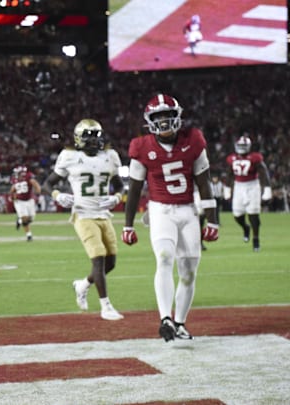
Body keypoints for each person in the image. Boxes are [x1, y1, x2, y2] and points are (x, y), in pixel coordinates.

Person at [122, 94, 219, 342]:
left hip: (187, 210)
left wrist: (213, 219)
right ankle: (165, 318)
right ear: (150, 121)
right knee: (164, 258)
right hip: (160, 210)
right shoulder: (142, 146)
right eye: (158, 117)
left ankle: (180, 322)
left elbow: (204, 182)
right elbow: (134, 189)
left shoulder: (193, 140)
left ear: (177, 117)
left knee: (189, 272)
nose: (164, 121)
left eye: (168, 115)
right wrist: (128, 225)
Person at [43, 119, 125, 321]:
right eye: (88, 137)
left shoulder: (111, 156)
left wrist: (116, 197)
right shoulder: (69, 156)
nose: (92, 141)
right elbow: (48, 183)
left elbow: (120, 186)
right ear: (79, 138)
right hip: (82, 214)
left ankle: (82, 285)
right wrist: (56, 195)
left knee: (111, 262)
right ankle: (105, 306)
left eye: (95, 136)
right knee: (98, 258)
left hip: (104, 215)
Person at [224, 135, 272, 252]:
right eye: (240, 145)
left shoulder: (255, 157)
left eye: (243, 146)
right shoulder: (232, 158)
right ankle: (246, 228)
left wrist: (267, 188)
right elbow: (229, 173)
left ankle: (256, 240)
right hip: (239, 186)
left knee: (253, 214)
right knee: (237, 215)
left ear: (249, 146)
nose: (241, 148)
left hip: (252, 186)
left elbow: (263, 172)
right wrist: (227, 188)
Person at [10, 165, 42, 241]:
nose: (16, 174)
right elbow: (13, 188)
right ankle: (29, 235)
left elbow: (34, 183)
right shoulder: (15, 179)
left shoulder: (28, 177)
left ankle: (19, 220)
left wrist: (38, 192)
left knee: (31, 218)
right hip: (19, 201)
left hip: (29, 200)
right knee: (25, 218)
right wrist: (12, 196)